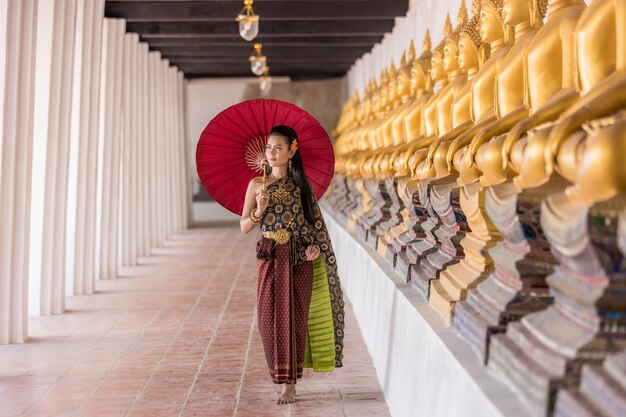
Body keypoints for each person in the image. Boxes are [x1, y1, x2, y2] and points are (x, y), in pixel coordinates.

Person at [240, 125, 344, 405]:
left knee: (295, 321)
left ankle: (290, 384)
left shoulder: (302, 186)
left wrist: (313, 247)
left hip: (299, 259)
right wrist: (259, 210)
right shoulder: (257, 185)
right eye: (268, 148)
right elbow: (244, 226)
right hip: (271, 257)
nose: (271, 153)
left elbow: (313, 225)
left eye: (278, 148)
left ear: (291, 151)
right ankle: (279, 373)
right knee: (269, 320)